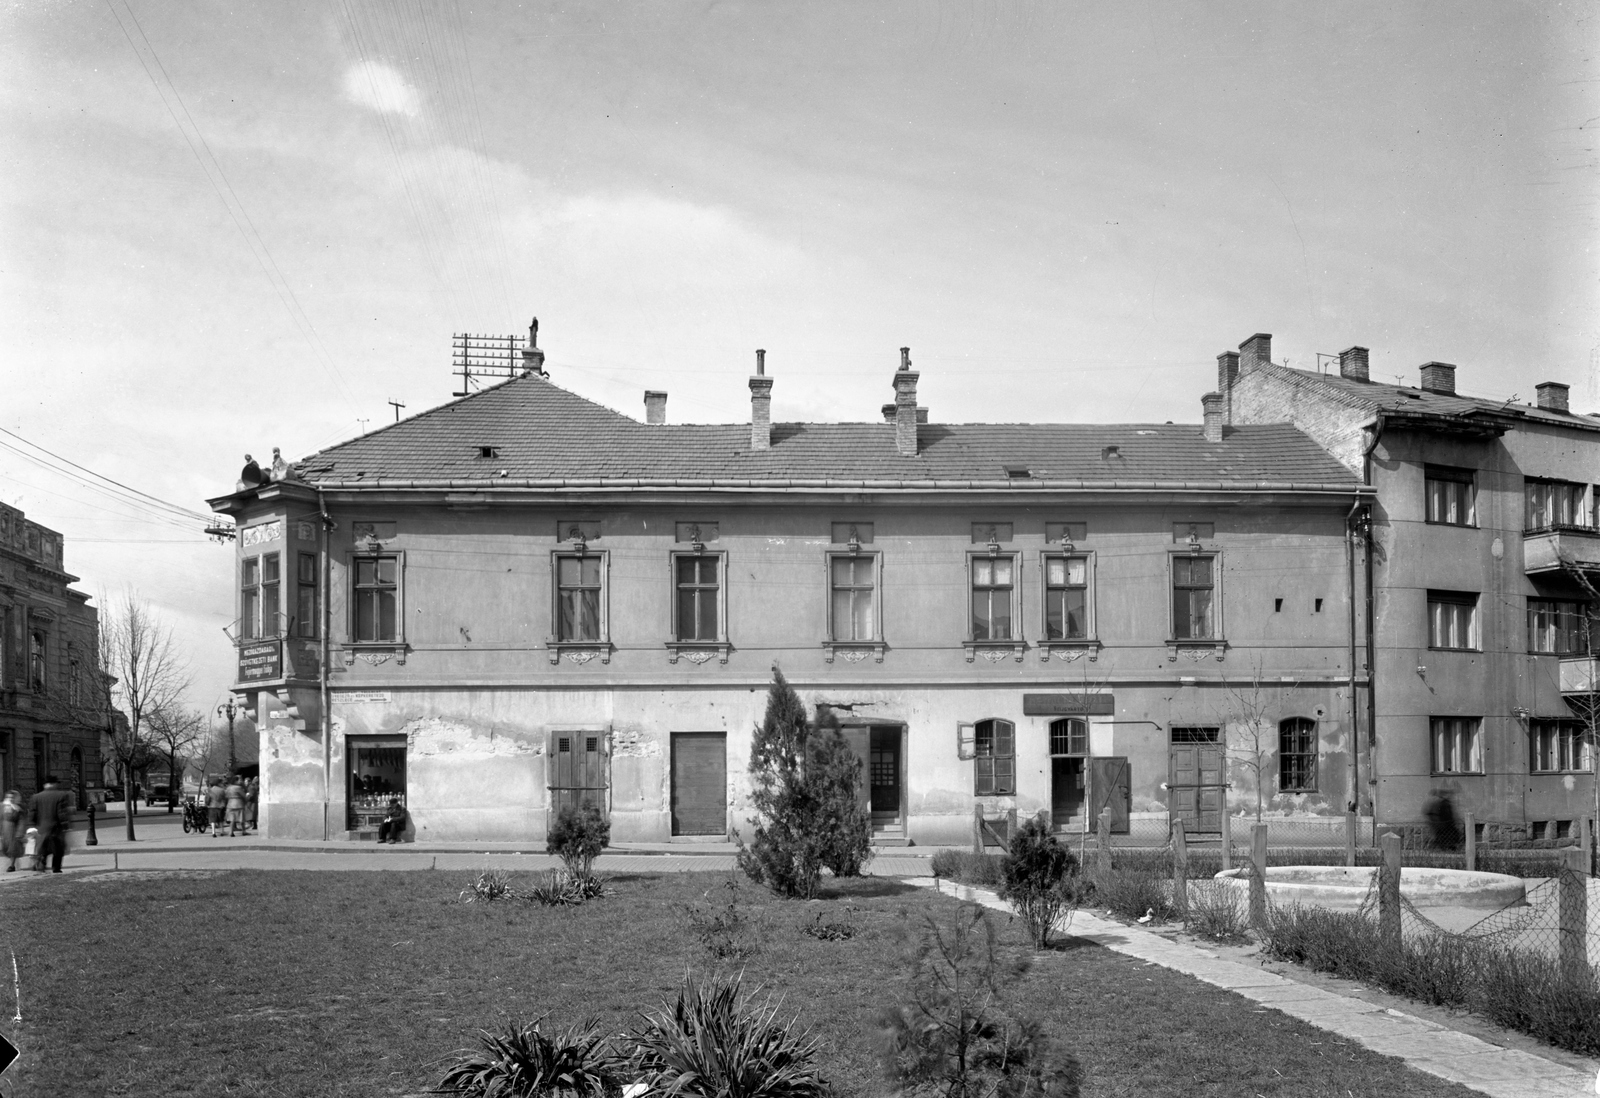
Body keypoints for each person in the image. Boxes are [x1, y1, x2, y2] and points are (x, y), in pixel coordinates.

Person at [27, 775, 73, 873]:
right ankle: (56, 868)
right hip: (56, 828)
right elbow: (62, 813)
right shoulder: (61, 795)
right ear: (54, 784)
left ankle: (41, 866)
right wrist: (66, 827)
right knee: (58, 849)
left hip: (41, 828)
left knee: (43, 849)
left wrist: (31, 826)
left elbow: (32, 814)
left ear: (45, 785)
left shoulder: (36, 797)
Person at [1, 790, 22, 872]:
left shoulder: (18, 808)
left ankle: (12, 865)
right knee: (5, 847)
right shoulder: (2, 806)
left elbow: (21, 821)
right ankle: (12, 863)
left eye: (12, 797)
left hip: (13, 829)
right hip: (4, 829)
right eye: (9, 797)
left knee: (13, 848)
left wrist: (19, 831)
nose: (10, 799)